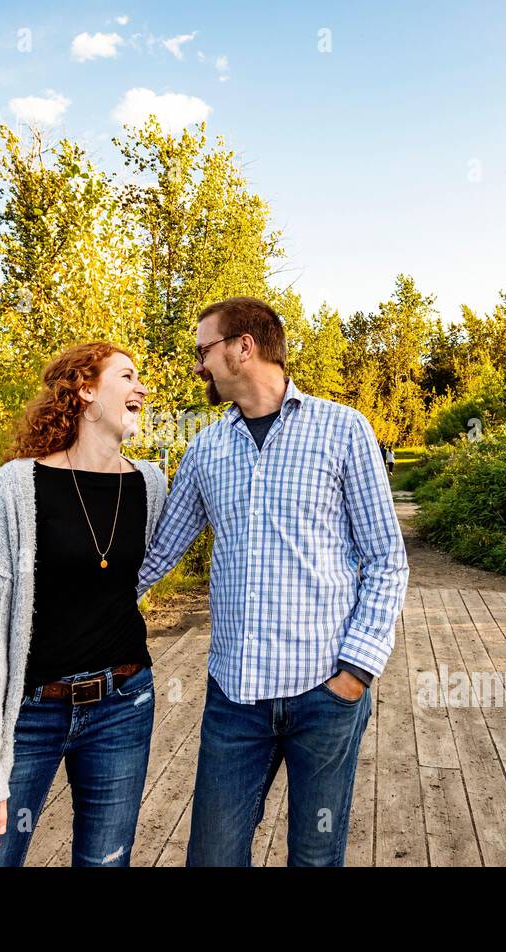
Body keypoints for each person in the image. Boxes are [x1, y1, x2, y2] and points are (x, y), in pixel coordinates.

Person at [136, 297, 410, 866]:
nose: (197, 366)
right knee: (213, 856)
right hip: (235, 697)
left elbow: (386, 557)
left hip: (325, 693)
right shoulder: (207, 447)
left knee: (314, 855)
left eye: (203, 350)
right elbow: (159, 552)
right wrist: (71, 612)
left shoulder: (344, 430)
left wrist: (356, 670)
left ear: (244, 347)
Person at [0, 341, 168, 866]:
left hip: (124, 702)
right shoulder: (19, 485)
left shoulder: (150, 484)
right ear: (86, 390)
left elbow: (128, 577)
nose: (141, 388)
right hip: (30, 713)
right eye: (127, 377)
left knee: (105, 862)